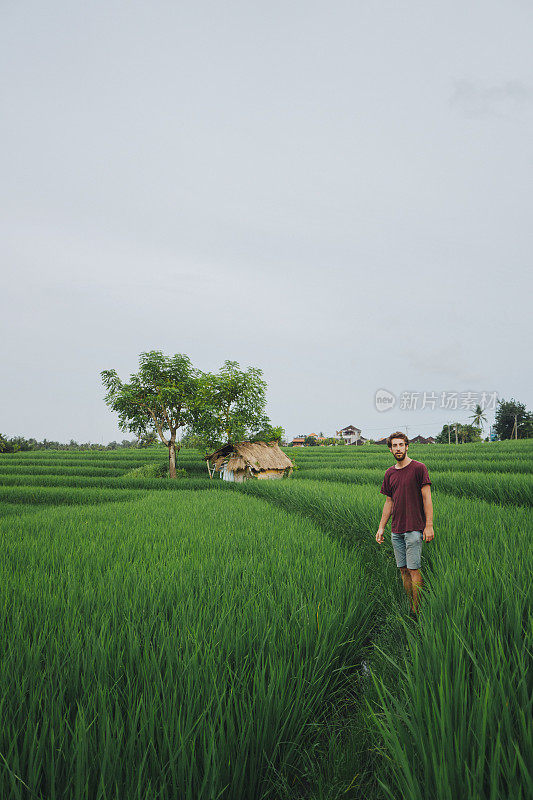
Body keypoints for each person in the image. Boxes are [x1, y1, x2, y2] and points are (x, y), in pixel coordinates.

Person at [375, 431, 434, 615]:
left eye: (401, 445)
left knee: (414, 569)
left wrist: (429, 525)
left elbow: (427, 498)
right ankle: (410, 606)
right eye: (394, 446)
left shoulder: (419, 468)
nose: (398, 448)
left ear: (407, 446)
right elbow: (388, 502)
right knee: (403, 570)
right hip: (396, 530)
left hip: (414, 529)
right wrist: (381, 527)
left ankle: (417, 611)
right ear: (390, 449)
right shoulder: (389, 473)